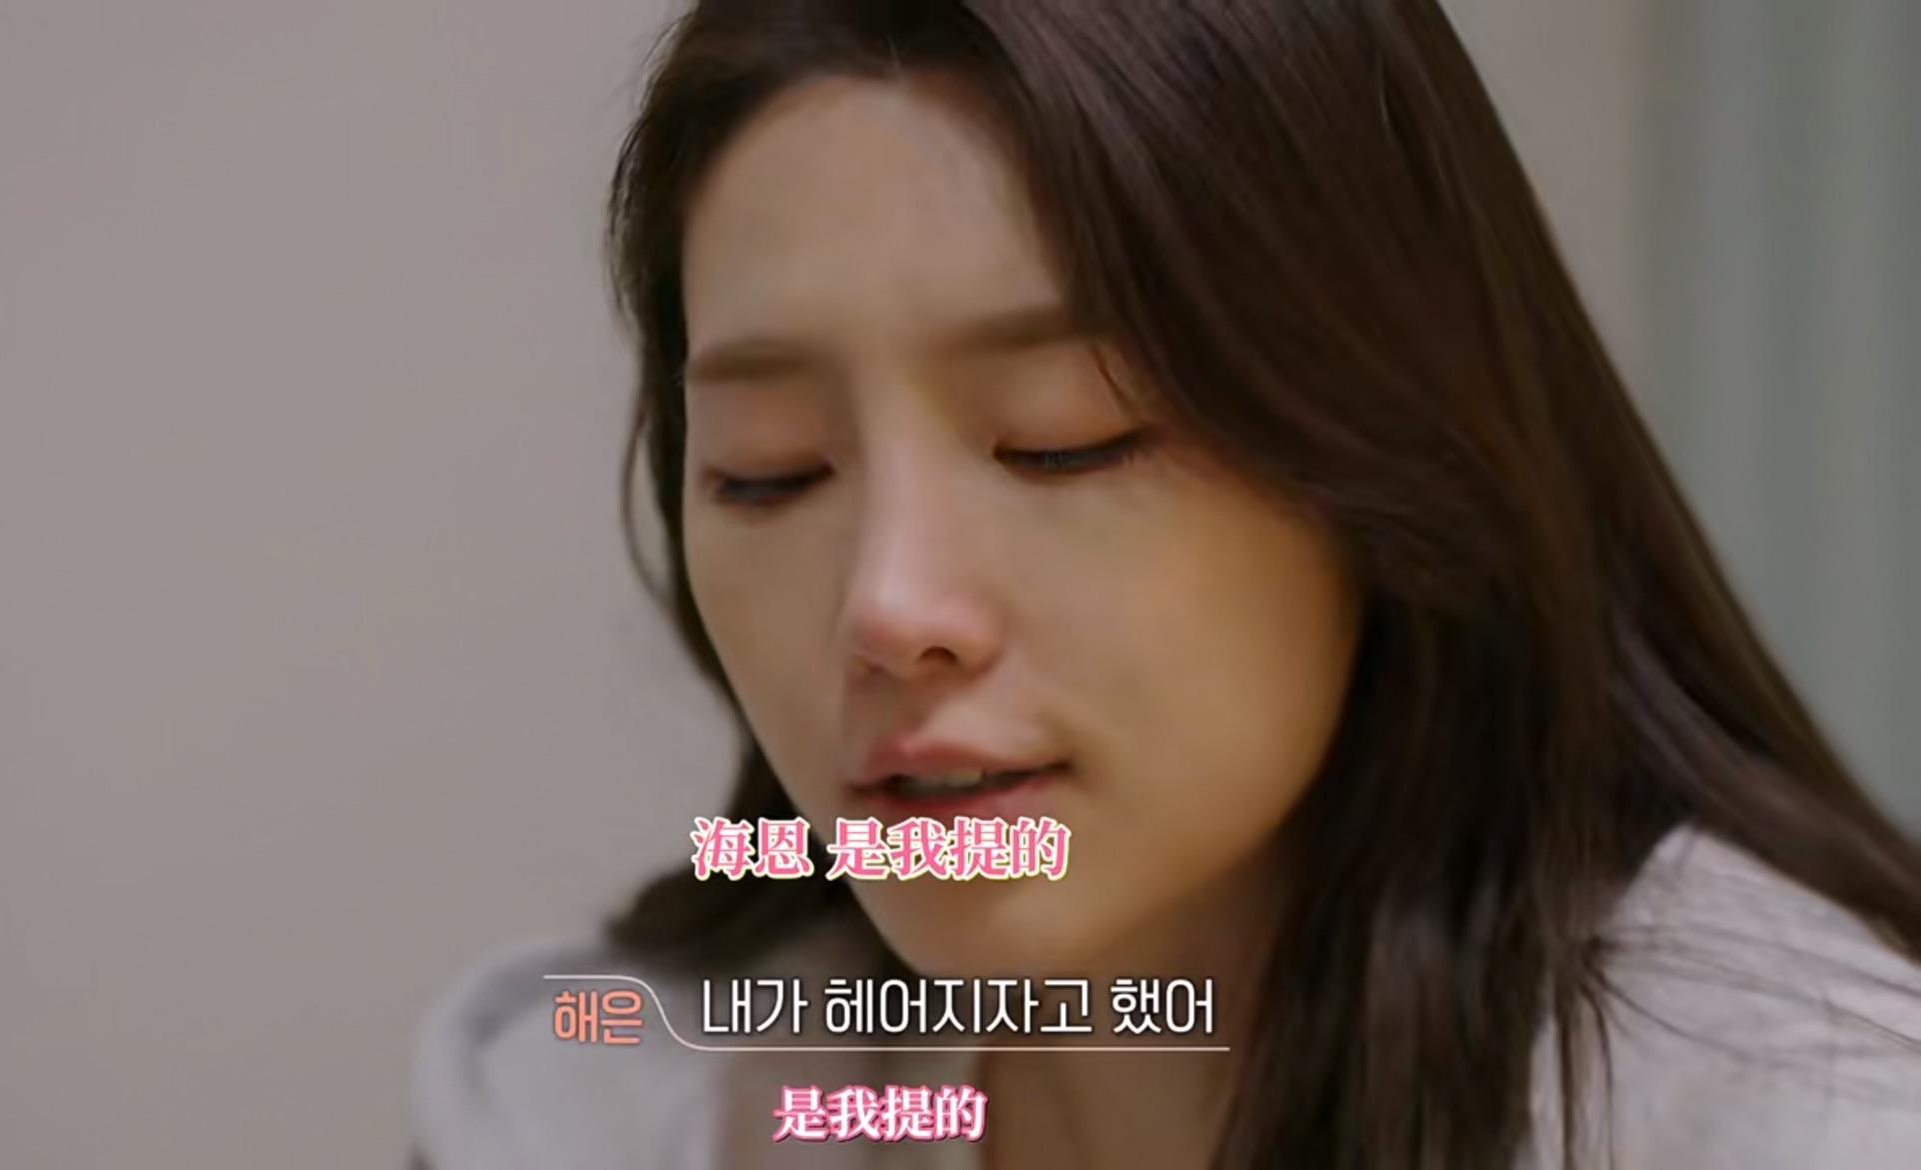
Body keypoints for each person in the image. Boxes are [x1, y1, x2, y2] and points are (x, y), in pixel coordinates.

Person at [409, 2, 1921, 1167]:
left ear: (1385, 451)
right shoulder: (629, 1096)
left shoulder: (1800, 1112)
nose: (888, 608)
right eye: (772, 468)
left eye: (1064, 439)